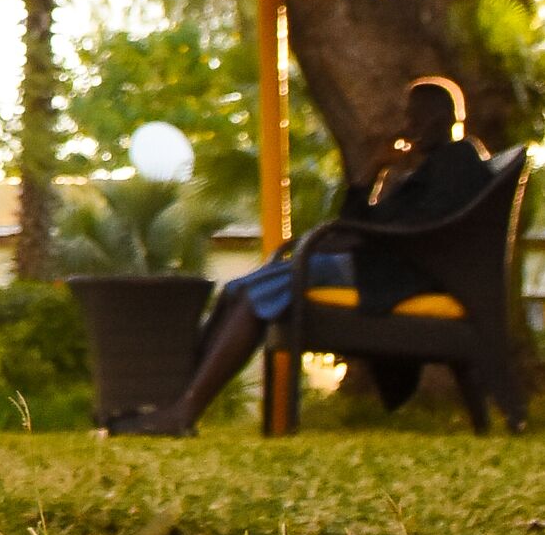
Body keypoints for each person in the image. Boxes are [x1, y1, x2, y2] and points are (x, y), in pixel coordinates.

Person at [121, 75, 494, 435]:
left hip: (391, 277)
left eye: (416, 115)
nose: (408, 124)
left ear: (441, 117)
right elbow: (366, 223)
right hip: (373, 265)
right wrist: (375, 173)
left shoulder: (457, 163)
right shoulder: (431, 169)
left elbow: (415, 234)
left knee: (252, 296)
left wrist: (358, 234)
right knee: (238, 289)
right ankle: (173, 403)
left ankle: (183, 412)